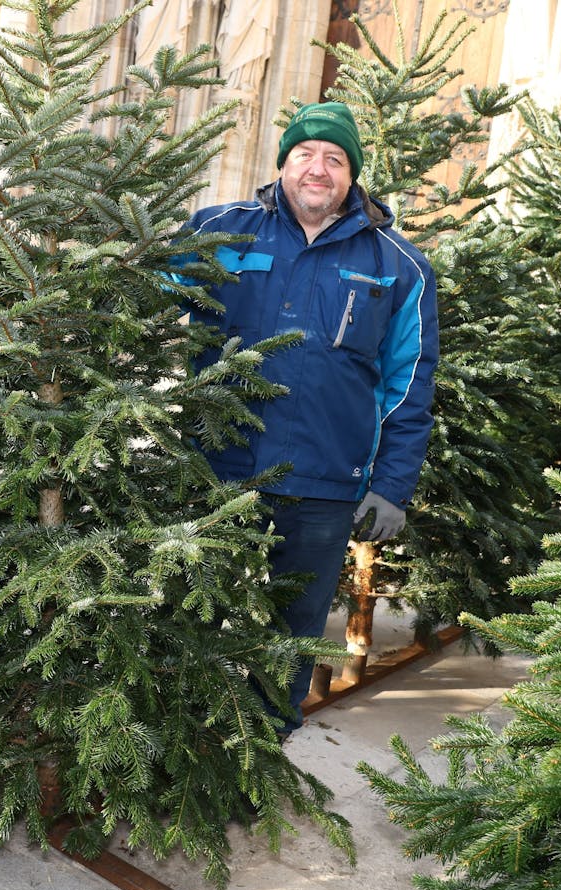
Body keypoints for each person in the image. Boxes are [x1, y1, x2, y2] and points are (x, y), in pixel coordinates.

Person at [184, 101, 439, 735]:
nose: (318, 168)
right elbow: (121, 285)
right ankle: (174, 743)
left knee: (292, 633)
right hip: (216, 466)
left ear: (352, 176)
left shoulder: (398, 267)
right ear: (283, 164)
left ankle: (263, 752)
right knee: (185, 612)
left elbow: (408, 384)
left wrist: (391, 486)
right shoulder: (219, 229)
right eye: (306, 154)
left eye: (335, 158)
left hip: (323, 483)